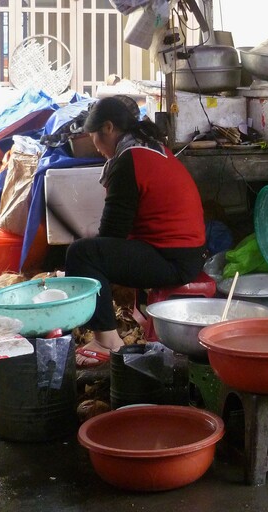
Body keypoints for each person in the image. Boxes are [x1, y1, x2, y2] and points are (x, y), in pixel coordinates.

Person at [65, 95, 206, 368]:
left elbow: (112, 234)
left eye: (94, 136)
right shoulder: (150, 148)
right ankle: (106, 336)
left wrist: (80, 265)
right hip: (185, 252)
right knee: (88, 252)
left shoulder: (129, 160)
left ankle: (108, 342)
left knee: (82, 254)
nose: (95, 147)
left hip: (172, 260)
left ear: (108, 128)